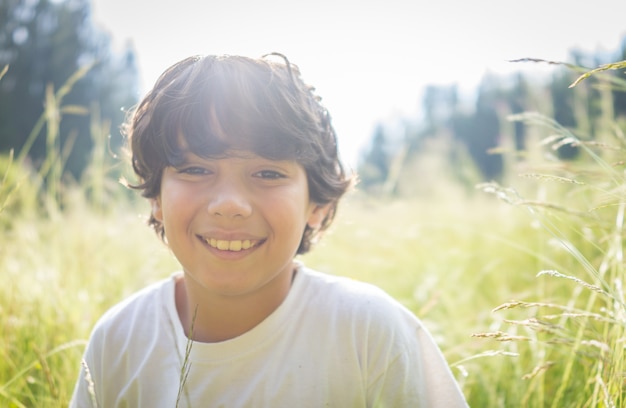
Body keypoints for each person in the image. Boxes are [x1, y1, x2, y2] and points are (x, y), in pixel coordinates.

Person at [70, 53, 467, 407]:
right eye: (195, 169)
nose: (230, 204)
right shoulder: (119, 341)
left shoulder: (368, 330)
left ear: (317, 204)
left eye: (267, 173)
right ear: (156, 196)